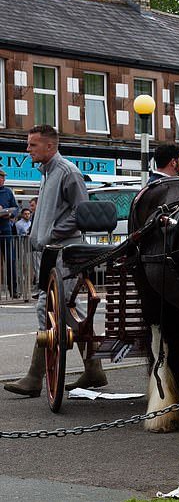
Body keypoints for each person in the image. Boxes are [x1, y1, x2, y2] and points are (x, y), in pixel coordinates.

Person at [5, 125, 106, 396]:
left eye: (33, 145)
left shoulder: (67, 172)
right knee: (70, 309)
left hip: (63, 250)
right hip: (50, 251)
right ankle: (93, 370)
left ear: (50, 146)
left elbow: (80, 210)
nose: (27, 150)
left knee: (47, 307)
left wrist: (52, 232)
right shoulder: (47, 172)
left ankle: (35, 377)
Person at [0, 168, 19, 297]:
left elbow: (17, 209)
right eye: (1, 178)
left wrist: (10, 212)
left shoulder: (8, 192)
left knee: (11, 261)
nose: (3, 180)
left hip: (6, 230)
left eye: (3, 178)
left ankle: (14, 290)